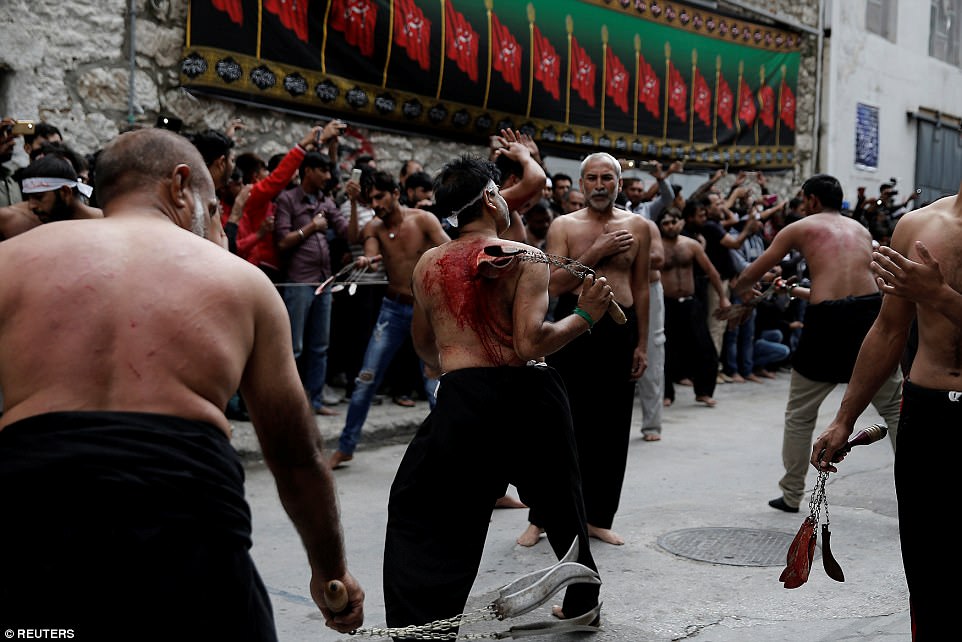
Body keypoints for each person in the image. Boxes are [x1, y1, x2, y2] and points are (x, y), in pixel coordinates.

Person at [0, 127, 364, 640]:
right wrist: (331, 572)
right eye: (213, 208)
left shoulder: (10, 263)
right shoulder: (240, 282)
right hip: (189, 540)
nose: (216, 227)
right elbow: (296, 459)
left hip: (30, 530)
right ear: (180, 186)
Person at [382, 154, 609, 636]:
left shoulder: (429, 262)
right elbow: (531, 342)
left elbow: (424, 345)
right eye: (500, 193)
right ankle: (582, 600)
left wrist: (450, 357)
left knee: (429, 509)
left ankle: (423, 624)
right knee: (561, 500)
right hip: (528, 395)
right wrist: (587, 314)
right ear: (489, 197)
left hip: (464, 395)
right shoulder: (525, 256)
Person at [812, 187, 962, 640]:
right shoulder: (919, 226)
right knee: (927, 563)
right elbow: (890, 326)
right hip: (930, 412)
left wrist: (940, 295)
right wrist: (844, 418)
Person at [731, 173, 902, 513]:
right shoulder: (860, 229)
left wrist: (741, 292)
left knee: (799, 414)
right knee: (894, 408)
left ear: (810, 200)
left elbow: (752, 273)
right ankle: (916, 488)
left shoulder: (800, 227)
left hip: (827, 321)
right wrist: (792, 290)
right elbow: (848, 292)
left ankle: (792, 493)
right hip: (868, 315)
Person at [522, 151, 651, 547]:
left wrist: (643, 343)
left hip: (618, 332)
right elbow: (553, 285)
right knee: (559, 427)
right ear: (581, 185)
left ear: (618, 183)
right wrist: (596, 252)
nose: (599, 185)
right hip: (572, 328)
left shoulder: (640, 227)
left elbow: (643, 286)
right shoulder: (564, 226)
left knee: (611, 430)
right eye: (592, 178)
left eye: (606, 178)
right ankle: (540, 518)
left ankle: (597, 516)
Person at [328, 170, 449, 469]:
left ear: (396, 193)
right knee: (365, 379)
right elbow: (369, 253)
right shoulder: (375, 227)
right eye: (371, 200)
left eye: (380, 197)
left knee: (435, 386)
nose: (376, 204)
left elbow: (450, 249)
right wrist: (367, 260)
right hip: (392, 310)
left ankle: (449, 451)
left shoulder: (423, 220)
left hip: (427, 310)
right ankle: (346, 446)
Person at [274, 151, 349, 416]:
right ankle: (288, 403)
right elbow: (282, 242)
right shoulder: (287, 200)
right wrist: (312, 228)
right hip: (298, 282)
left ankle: (314, 402)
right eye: (323, 171)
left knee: (320, 347)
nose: (328, 176)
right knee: (293, 347)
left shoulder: (326, 201)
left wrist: (351, 201)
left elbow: (350, 234)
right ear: (308, 171)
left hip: (324, 281)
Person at [658, 208, 730, 408]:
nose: (670, 226)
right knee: (666, 349)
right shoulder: (655, 247)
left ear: (681, 223)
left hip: (690, 302)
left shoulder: (691, 245)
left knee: (705, 348)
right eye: (666, 223)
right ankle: (667, 394)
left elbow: (712, 272)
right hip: (666, 303)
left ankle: (704, 392)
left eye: (674, 222)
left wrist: (723, 298)